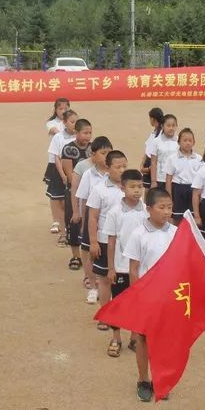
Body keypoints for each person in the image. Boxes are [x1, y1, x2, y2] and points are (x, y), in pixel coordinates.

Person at [123, 187, 177, 402]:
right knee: (144, 338)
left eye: (169, 207)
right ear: (149, 209)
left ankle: (160, 378)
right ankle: (143, 379)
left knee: (165, 339)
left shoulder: (176, 233)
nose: (166, 212)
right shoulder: (139, 234)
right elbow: (133, 269)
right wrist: (137, 298)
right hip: (147, 295)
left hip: (169, 295)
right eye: (161, 207)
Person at [102, 169, 147, 358]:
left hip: (141, 268)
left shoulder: (147, 210)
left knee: (139, 304)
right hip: (121, 267)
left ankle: (135, 338)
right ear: (122, 188)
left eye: (140, 186)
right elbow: (111, 241)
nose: (137, 190)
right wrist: (111, 268)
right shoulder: (115, 212)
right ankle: (116, 338)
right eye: (132, 187)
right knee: (119, 304)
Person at [86, 150, 128, 327]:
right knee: (104, 278)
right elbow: (93, 217)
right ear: (108, 167)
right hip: (104, 240)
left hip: (126, 242)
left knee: (125, 278)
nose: (122, 170)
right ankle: (104, 315)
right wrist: (93, 241)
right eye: (118, 167)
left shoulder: (131, 188)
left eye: (124, 166)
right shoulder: (99, 189)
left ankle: (122, 315)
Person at [73, 133, 109, 304]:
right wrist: (81, 218)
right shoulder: (88, 174)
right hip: (91, 216)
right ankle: (93, 286)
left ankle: (106, 285)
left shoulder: (114, 174)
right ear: (93, 155)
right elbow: (83, 199)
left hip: (108, 218)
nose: (106, 156)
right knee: (88, 250)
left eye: (109, 153)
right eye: (103, 153)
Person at [61, 119, 93, 278]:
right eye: (85, 133)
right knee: (73, 221)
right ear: (76, 132)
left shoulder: (93, 149)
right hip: (74, 190)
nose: (88, 136)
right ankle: (75, 255)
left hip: (90, 192)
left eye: (90, 133)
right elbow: (69, 174)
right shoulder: (68, 149)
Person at [45, 111, 78, 241]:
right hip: (61, 174)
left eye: (76, 121)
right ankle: (63, 233)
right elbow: (57, 157)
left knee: (73, 204)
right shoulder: (58, 137)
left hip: (76, 174)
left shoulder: (79, 137)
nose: (75, 124)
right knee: (61, 202)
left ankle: (74, 232)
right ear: (64, 122)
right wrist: (63, 175)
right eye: (72, 122)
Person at [163, 128, 200, 224]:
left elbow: (201, 180)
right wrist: (169, 198)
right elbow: (168, 180)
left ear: (194, 142)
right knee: (177, 218)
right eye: (185, 140)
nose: (187, 143)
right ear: (179, 142)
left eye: (190, 140)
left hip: (193, 191)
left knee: (192, 219)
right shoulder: (172, 158)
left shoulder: (199, 159)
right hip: (178, 190)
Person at [147, 114, 179, 189]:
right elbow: (153, 162)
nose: (171, 128)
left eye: (173, 125)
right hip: (160, 179)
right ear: (162, 126)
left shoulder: (179, 141)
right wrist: (153, 181)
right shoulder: (156, 142)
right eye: (168, 125)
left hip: (175, 180)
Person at [139, 107, 164, 190]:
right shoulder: (153, 133)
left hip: (153, 166)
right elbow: (147, 151)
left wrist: (149, 168)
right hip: (147, 165)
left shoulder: (161, 135)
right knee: (147, 191)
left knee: (152, 192)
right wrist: (142, 165)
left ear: (153, 119)